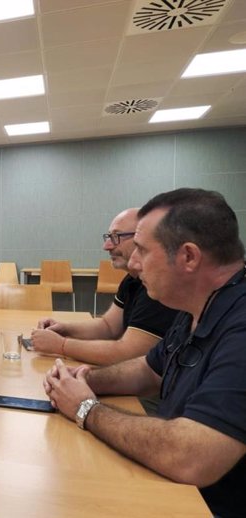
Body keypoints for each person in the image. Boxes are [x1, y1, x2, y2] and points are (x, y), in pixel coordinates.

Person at [44, 188, 246, 517]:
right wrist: (83, 379)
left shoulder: (240, 324)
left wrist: (86, 409)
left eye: (141, 250)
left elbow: (192, 456)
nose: (134, 263)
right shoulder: (197, 307)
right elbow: (148, 370)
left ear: (189, 257)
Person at [31, 208, 178, 365]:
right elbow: (108, 327)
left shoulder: (158, 286)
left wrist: (61, 345)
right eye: (109, 237)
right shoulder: (132, 280)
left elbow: (128, 354)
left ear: (141, 238)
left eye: (116, 237)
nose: (106, 246)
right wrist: (64, 329)